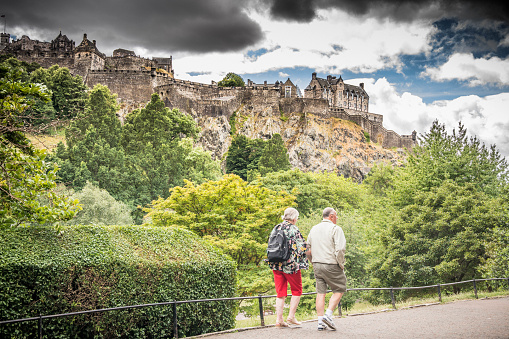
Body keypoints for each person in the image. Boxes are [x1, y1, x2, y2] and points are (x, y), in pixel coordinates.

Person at [306, 207, 346, 331]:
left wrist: (313, 262)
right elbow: (339, 249)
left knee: (320, 292)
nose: (337, 218)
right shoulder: (336, 229)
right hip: (331, 263)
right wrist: (340, 264)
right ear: (332, 216)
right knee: (340, 288)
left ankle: (320, 322)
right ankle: (328, 315)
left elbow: (307, 249)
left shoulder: (314, 229)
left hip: (317, 264)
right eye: (336, 216)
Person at [267, 207, 309, 327]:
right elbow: (301, 247)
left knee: (280, 293)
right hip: (290, 265)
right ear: (294, 218)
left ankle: (279, 320)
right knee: (297, 290)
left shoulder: (276, 227)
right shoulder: (293, 229)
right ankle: (291, 316)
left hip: (276, 264)